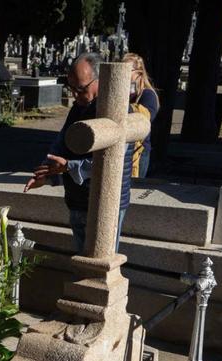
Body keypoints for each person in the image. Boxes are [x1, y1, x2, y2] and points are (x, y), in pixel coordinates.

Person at [24, 53, 132, 253]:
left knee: (99, 263)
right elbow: (61, 144)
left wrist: (67, 166)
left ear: (100, 80)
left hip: (105, 203)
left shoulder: (118, 110)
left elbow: (110, 160)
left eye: (81, 89)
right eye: (71, 88)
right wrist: (45, 174)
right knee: (82, 258)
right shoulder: (79, 107)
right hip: (77, 199)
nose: (75, 95)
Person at [123, 52, 159, 178]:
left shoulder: (148, 94)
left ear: (138, 72)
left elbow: (144, 119)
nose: (123, 73)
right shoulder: (125, 93)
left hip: (139, 151)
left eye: (127, 70)